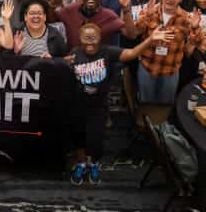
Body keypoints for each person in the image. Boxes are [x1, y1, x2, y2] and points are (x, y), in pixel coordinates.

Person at [68, 23, 173, 185]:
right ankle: (81, 164)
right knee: (78, 138)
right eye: (85, 39)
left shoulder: (107, 52)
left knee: (96, 140)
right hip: (78, 106)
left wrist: (151, 40)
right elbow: (61, 67)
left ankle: (93, 164)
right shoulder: (74, 53)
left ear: (100, 39)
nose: (89, 43)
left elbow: (131, 54)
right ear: (80, 39)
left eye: (93, 39)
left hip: (99, 108)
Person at [122, 0, 202, 103]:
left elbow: (197, 43)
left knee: (166, 105)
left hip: (170, 71)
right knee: (145, 103)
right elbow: (134, 34)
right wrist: (146, 16)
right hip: (147, 67)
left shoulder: (186, 18)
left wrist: (195, 27)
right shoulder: (150, 11)